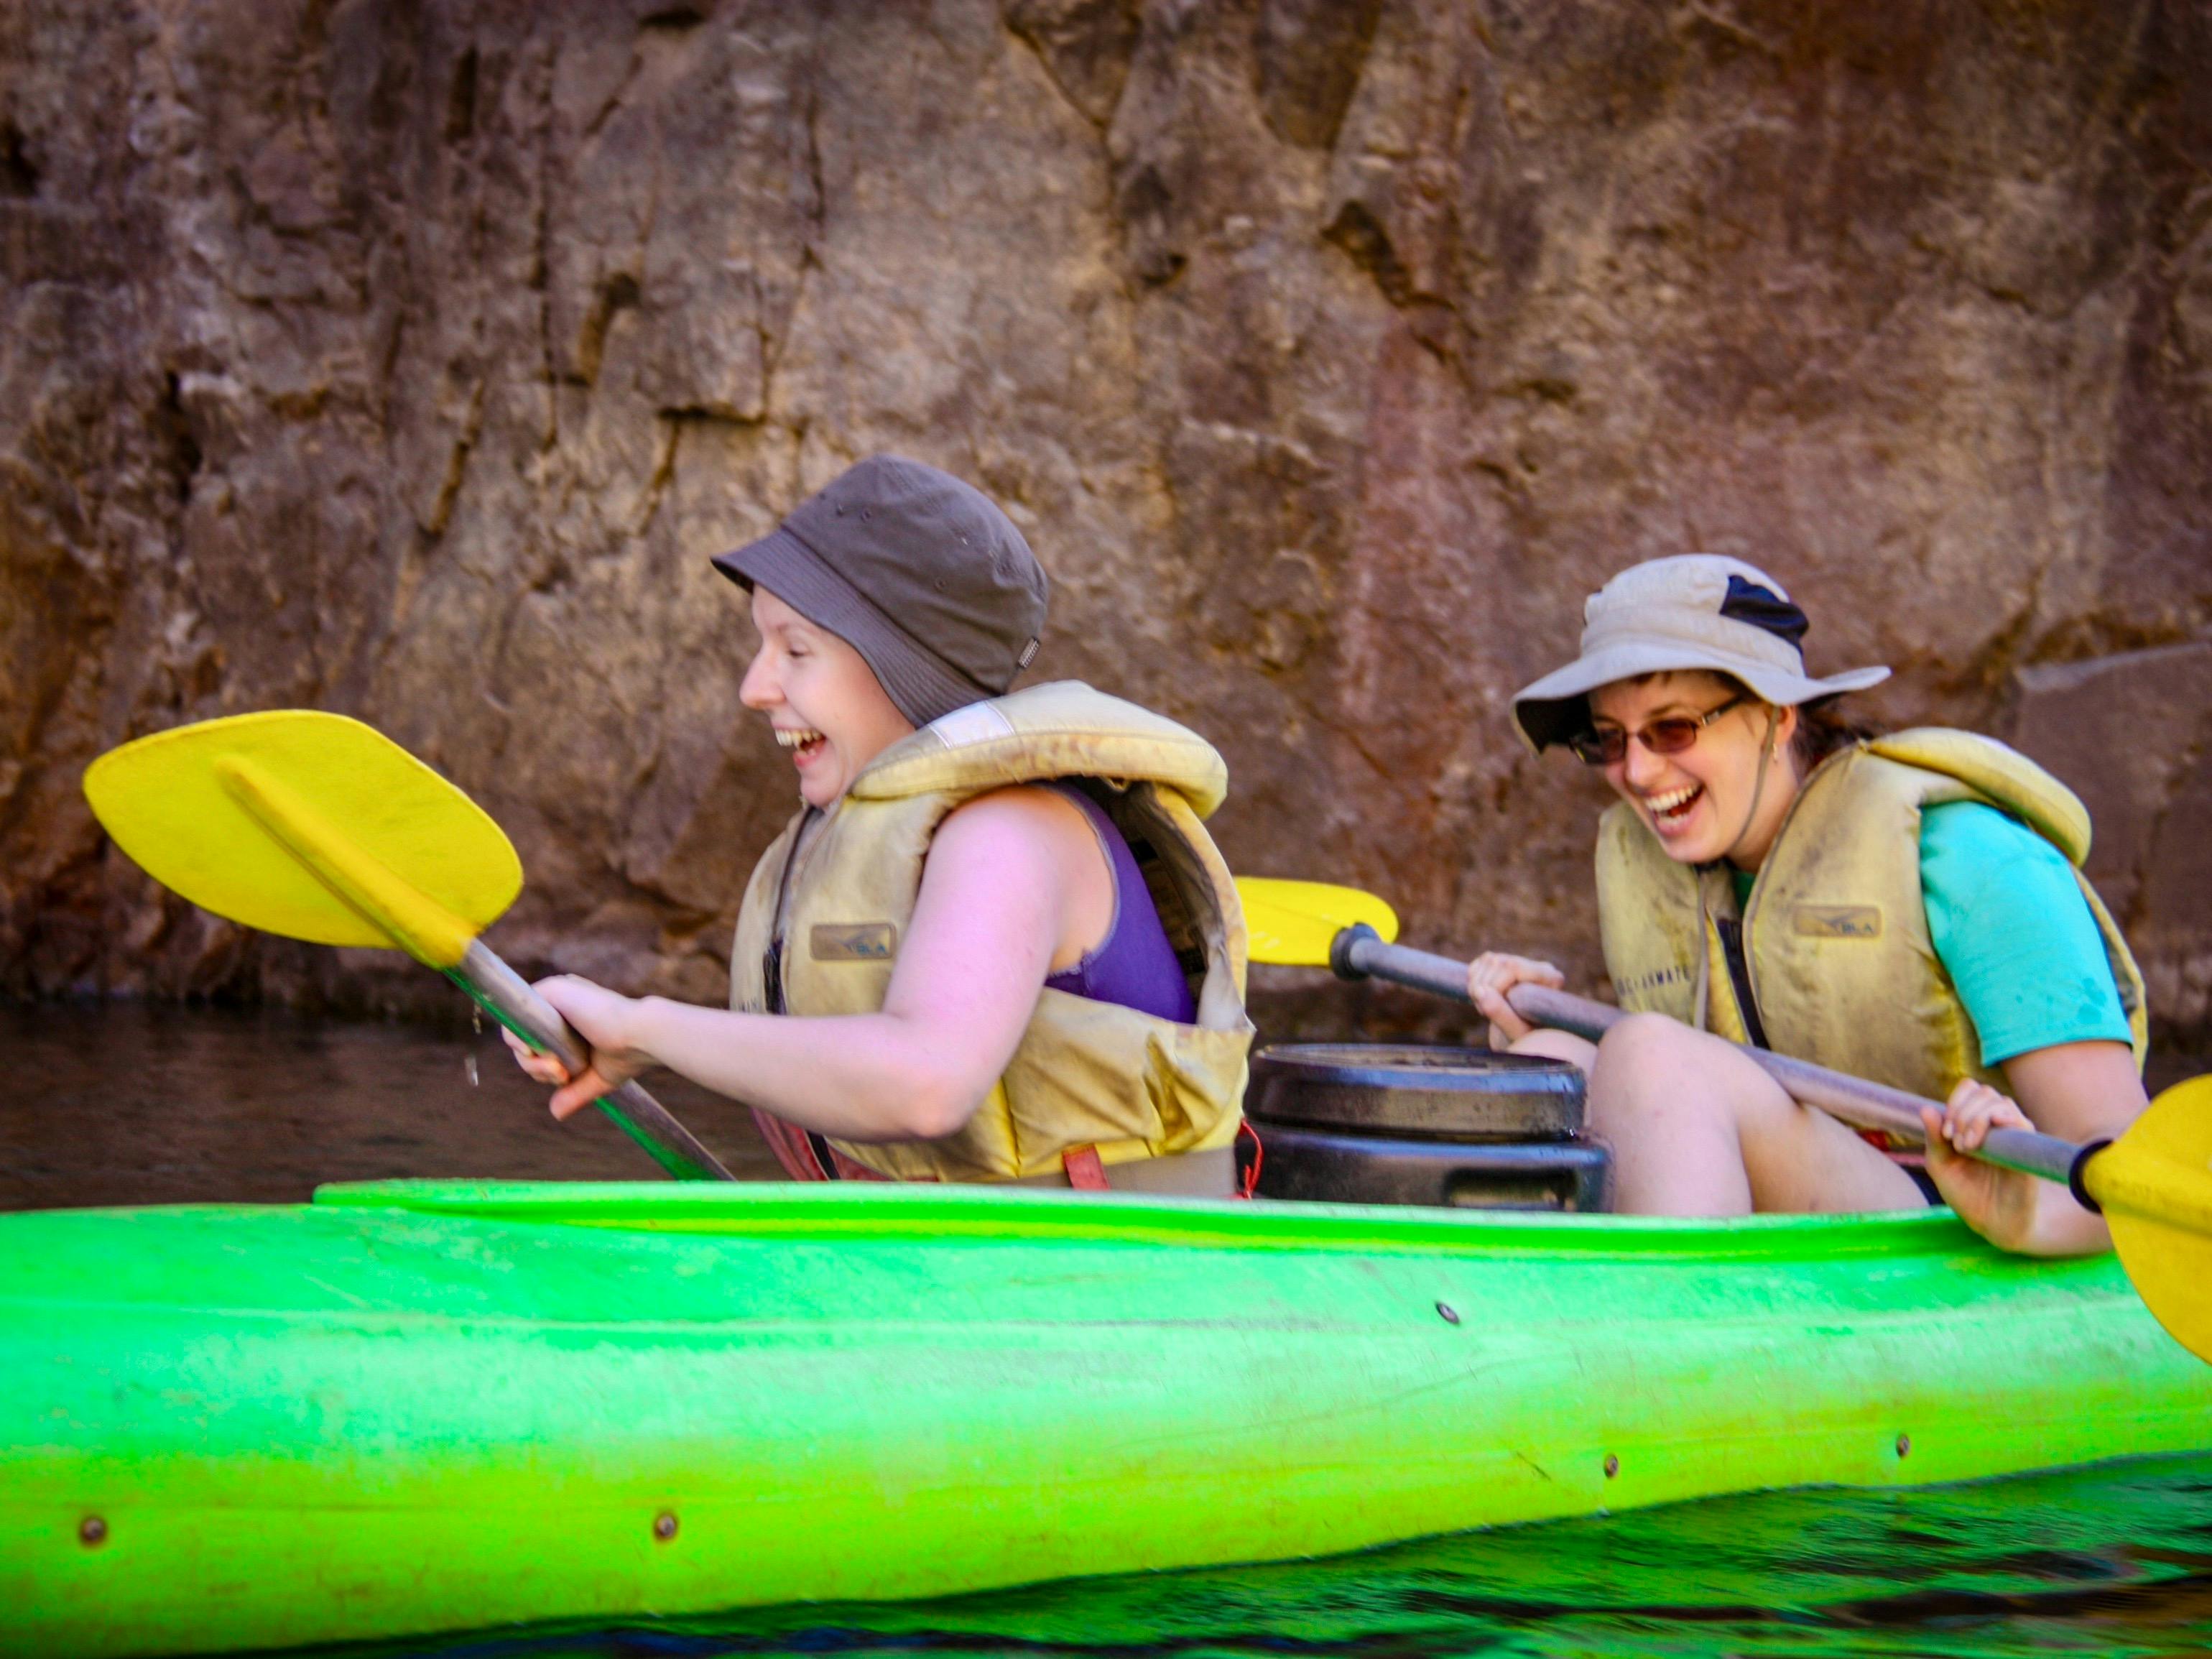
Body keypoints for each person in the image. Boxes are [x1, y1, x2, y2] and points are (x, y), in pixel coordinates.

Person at [509, 456, 1253, 1193]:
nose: (754, 687)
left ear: (907, 667)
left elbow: (926, 1083)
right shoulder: (881, 834)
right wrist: (637, 1046)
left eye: (796, 649)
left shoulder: (1009, 835)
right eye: (763, 645)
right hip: (955, 1260)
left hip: (1103, 1267)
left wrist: (644, 1027)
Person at [1467, 555, 2149, 1254]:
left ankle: (1667, 1322)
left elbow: (2129, 1178)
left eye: (1673, 728)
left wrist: (2024, 1218)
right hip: (1807, 1210)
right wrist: (1537, 1021)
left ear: (1776, 715)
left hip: (1958, 1227)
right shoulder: (1663, 863)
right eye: (1608, 739)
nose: (1637, 771)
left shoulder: (1973, 859)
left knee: (1650, 1053)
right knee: (1549, 1063)